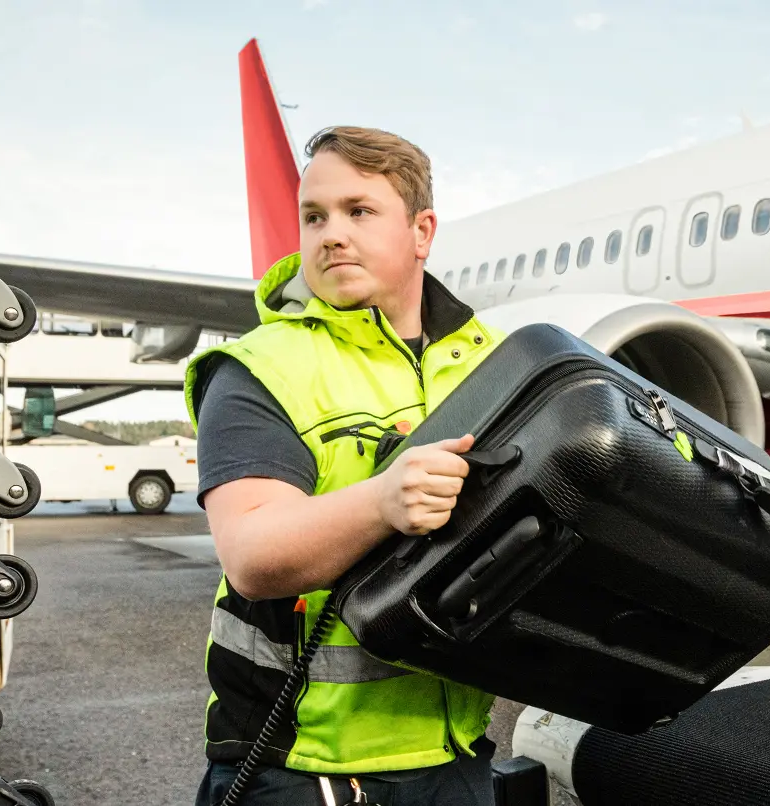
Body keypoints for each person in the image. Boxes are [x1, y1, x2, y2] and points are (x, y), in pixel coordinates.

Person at [184, 125, 504, 806]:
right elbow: (252, 555)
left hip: (459, 756)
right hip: (302, 766)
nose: (330, 234)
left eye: (359, 212)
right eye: (314, 216)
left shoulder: (495, 363)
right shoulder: (263, 367)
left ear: (422, 232)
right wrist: (382, 501)